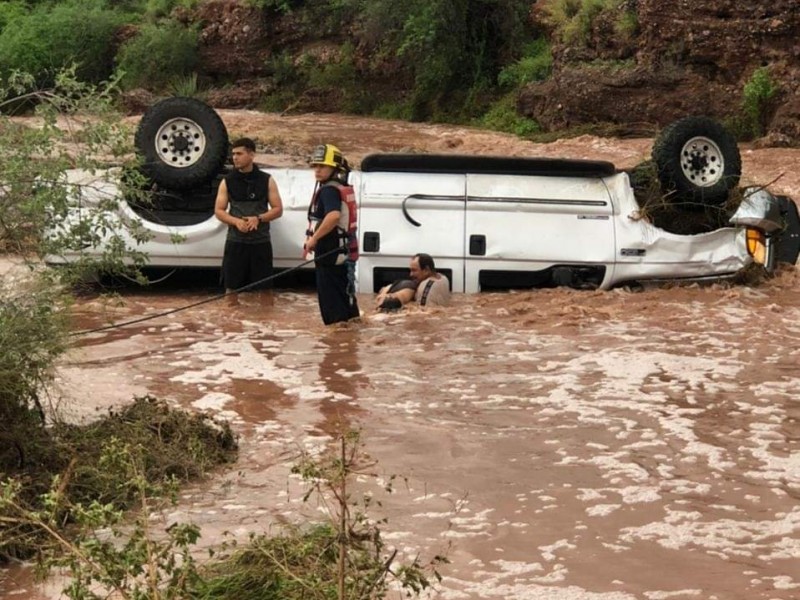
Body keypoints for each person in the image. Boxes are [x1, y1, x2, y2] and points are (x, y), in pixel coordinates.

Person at [214, 138, 283, 301]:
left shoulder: (267, 180)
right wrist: (236, 221)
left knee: (266, 292)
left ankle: (266, 323)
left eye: (239, 153)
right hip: (235, 242)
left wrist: (259, 218)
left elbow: (278, 209)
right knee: (231, 291)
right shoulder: (227, 181)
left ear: (251, 155)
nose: (235, 158)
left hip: (261, 242)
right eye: (233, 154)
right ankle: (231, 324)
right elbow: (218, 211)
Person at [305, 143, 360, 325]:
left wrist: (313, 238)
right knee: (347, 306)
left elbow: (333, 215)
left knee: (334, 315)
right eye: (315, 166)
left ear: (334, 168)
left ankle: (337, 349)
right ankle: (348, 347)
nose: (317, 170)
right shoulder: (342, 187)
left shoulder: (328, 190)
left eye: (322, 166)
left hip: (330, 254)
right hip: (343, 254)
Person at [375, 253, 450, 311]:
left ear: (426, 270)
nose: (410, 274)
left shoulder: (425, 288)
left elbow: (425, 317)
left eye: (414, 270)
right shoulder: (442, 278)